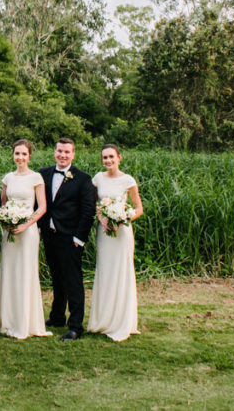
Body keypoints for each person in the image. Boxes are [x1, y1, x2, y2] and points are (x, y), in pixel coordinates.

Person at [38, 137, 96, 341]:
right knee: (56, 277)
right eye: (59, 151)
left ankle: (75, 326)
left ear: (73, 154)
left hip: (71, 237)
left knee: (73, 281)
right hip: (49, 234)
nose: (62, 155)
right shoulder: (43, 174)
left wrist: (79, 238)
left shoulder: (83, 178)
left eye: (67, 152)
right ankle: (57, 316)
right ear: (54, 152)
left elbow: (88, 211)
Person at [0, 139, 52, 339]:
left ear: (29, 156)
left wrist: (25, 224)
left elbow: (42, 207)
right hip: (10, 231)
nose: (20, 157)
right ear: (13, 155)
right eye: (17, 154)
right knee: (10, 271)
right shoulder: (8, 178)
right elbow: (3, 203)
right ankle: (8, 320)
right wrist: (5, 221)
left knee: (25, 271)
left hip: (27, 231)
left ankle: (25, 322)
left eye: (24, 154)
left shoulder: (36, 178)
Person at [88, 144, 144, 341]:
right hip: (104, 231)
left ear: (119, 157)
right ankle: (103, 320)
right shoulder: (98, 179)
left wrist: (123, 219)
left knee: (121, 272)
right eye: (105, 157)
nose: (108, 160)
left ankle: (121, 321)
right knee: (105, 271)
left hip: (122, 233)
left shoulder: (128, 180)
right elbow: (94, 205)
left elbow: (138, 208)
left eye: (111, 156)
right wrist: (103, 220)